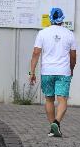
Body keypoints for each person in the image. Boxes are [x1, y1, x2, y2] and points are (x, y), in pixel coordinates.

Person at [30, 8, 77, 138]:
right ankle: (56, 122)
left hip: (47, 71)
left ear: (50, 19)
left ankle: (52, 127)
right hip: (63, 71)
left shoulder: (43, 33)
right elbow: (73, 56)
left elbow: (35, 53)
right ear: (62, 19)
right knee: (62, 100)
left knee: (49, 99)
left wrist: (31, 72)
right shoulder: (69, 34)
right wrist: (71, 68)